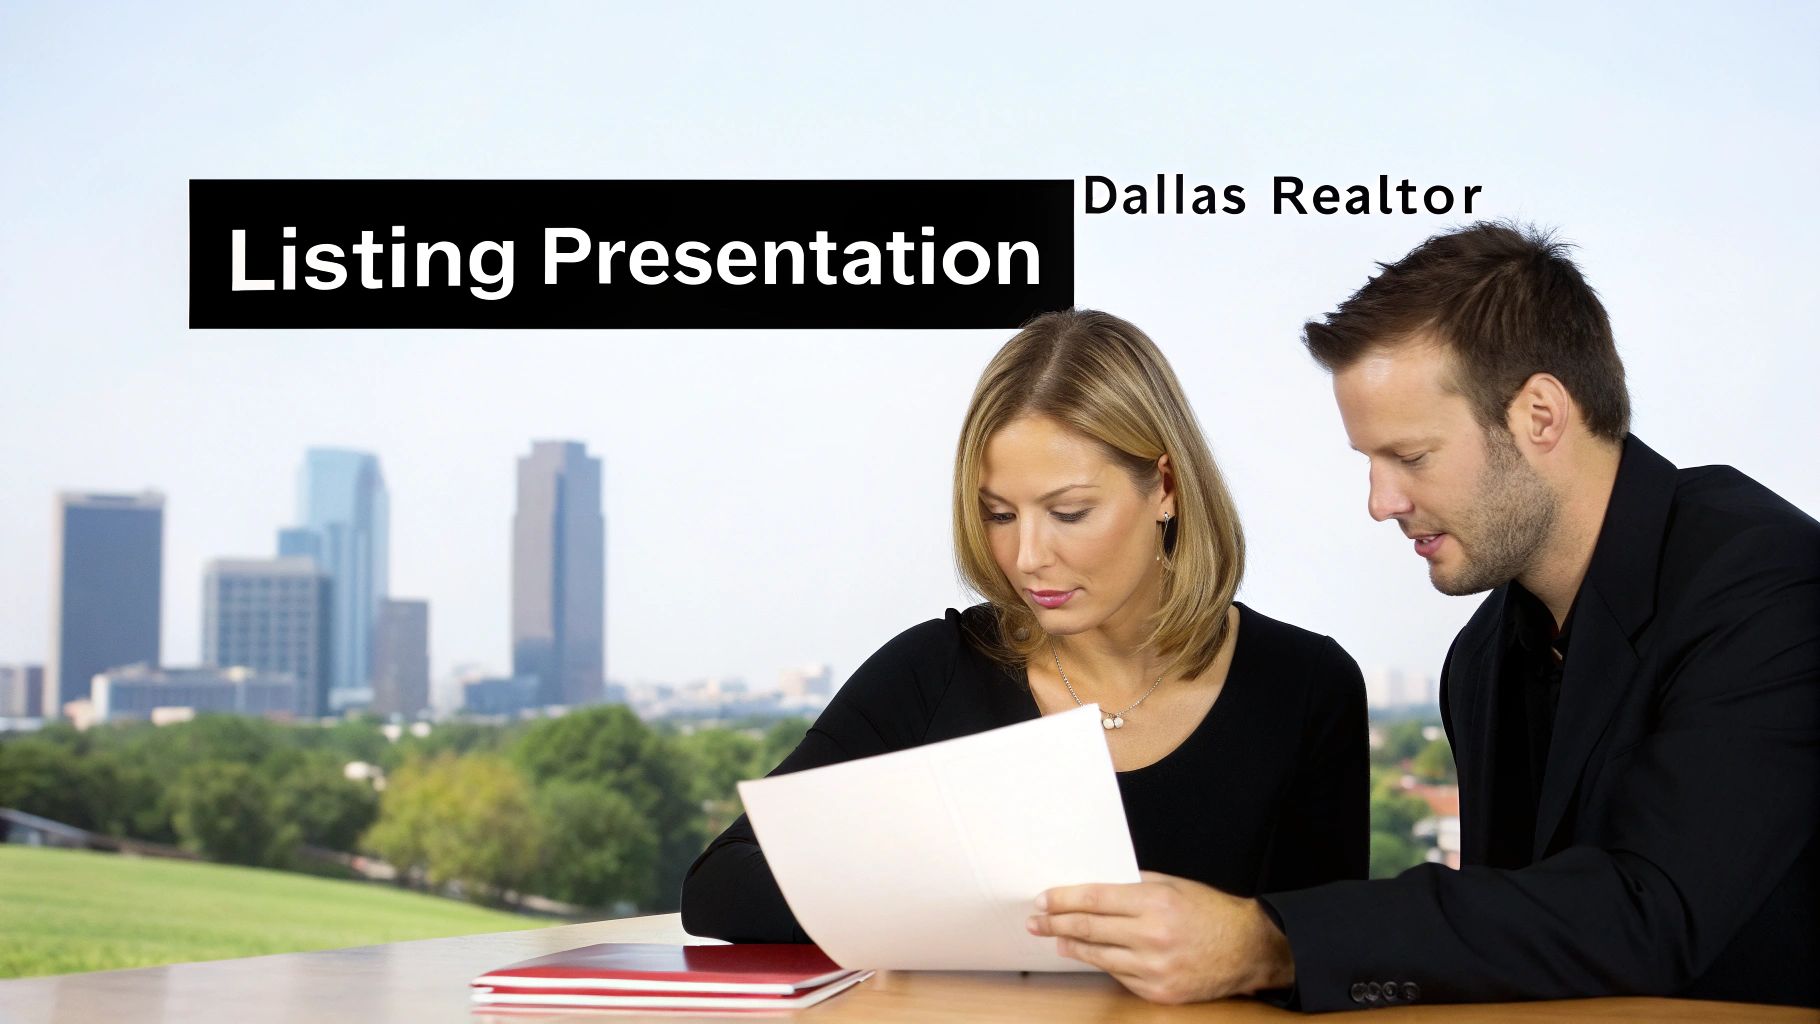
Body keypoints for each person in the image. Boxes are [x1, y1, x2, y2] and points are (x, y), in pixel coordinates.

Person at [1029, 223, 1820, 1010]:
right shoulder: (1481, 658)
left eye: (1410, 457)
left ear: (1541, 415)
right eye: (1370, 462)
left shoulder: (1767, 582)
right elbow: (1513, 951)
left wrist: (1270, 941)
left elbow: (1652, 914)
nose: (1381, 502)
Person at [680, 310, 1370, 957]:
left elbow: (1328, 955)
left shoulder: (1307, 686)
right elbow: (721, 883)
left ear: (1165, 488)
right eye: (1000, 515)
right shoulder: (933, 671)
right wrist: (961, 903)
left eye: (1068, 513)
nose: (1028, 557)